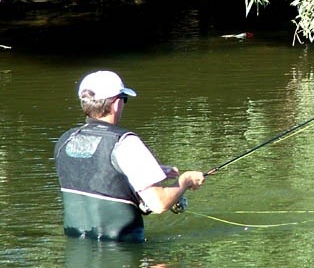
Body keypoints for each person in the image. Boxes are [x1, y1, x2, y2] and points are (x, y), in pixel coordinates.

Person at [54, 70, 205, 242]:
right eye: (124, 99)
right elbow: (158, 203)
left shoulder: (65, 141)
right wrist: (185, 181)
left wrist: (146, 173)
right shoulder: (125, 143)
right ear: (116, 103)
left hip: (77, 256)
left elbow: (97, 178)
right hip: (123, 253)